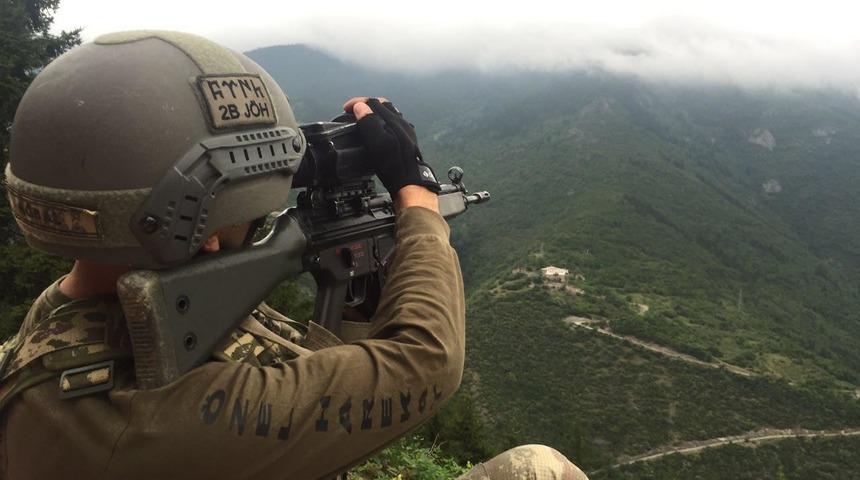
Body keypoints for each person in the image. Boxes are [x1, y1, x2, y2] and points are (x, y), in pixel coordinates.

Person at [0, 30, 587, 479]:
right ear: (199, 232)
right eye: (248, 211)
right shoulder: (140, 419)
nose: (256, 220)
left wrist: (360, 291)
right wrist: (417, 197)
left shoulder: (60, 333)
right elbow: (428, 363)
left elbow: (304, 400)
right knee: (541, 468)